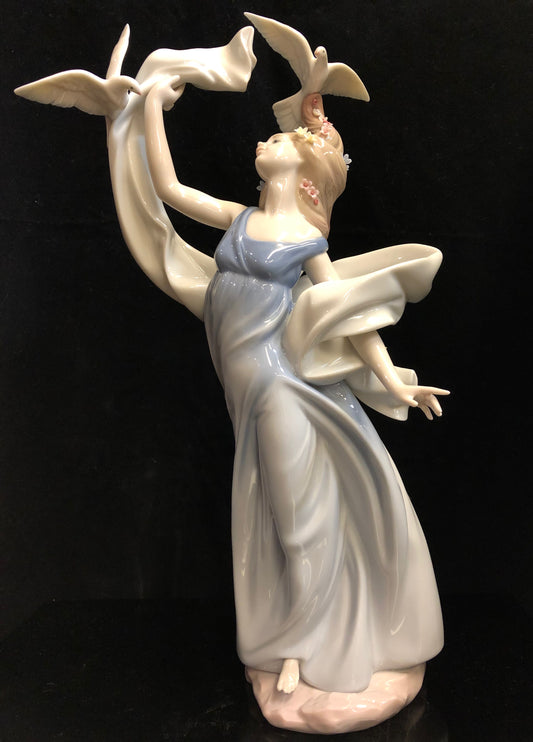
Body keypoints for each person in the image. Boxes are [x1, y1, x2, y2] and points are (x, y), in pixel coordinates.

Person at [143, 77, 447, 695]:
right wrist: (150, 104)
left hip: (280, 386)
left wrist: (393, 381)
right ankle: (294, 632)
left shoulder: (309, 244)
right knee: (269, 508)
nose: (265, 140)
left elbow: (348, 315)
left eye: (279, 138)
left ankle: (302, 643)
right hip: (242, 385)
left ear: (305, 172)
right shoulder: (240, 217)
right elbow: (169, 189)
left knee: (297, 517)